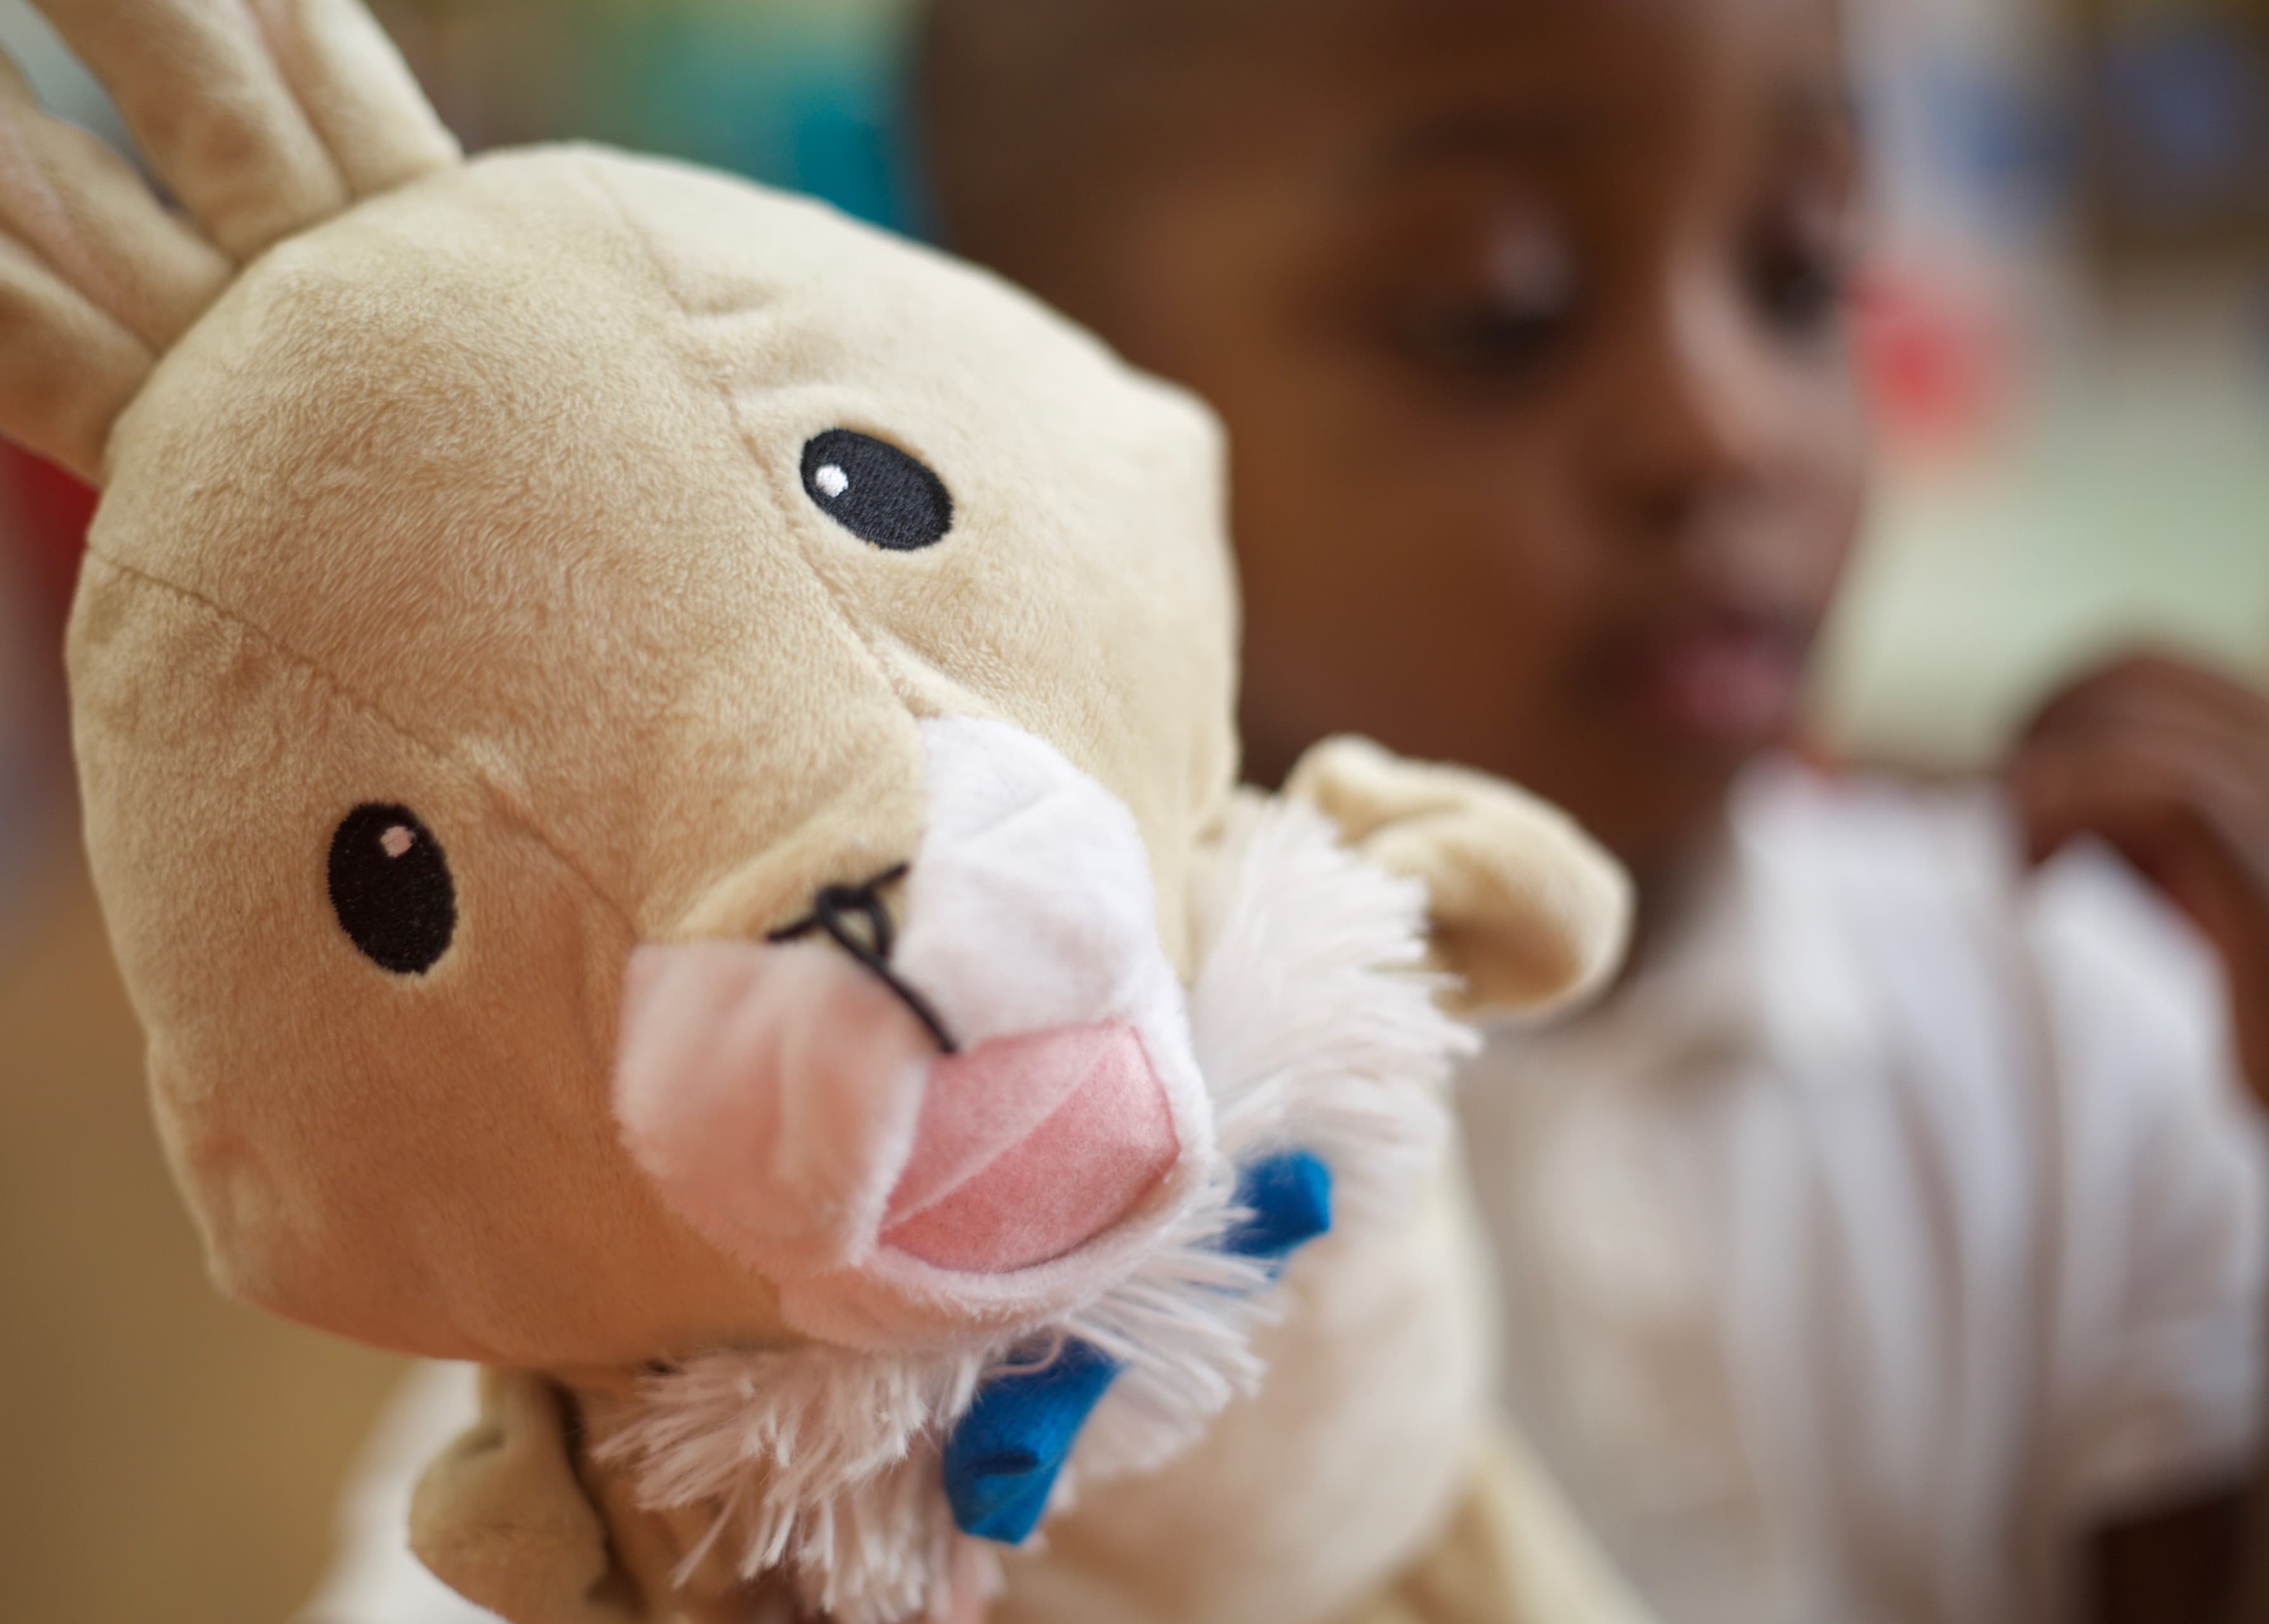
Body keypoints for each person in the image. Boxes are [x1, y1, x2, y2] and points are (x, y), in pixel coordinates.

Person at [916, 2, 2269, 1621]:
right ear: (1038, 404)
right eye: (1497, 310)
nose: (1723, 427)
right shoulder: (974, 1180)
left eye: (1799, 267)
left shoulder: (2090, 1025)